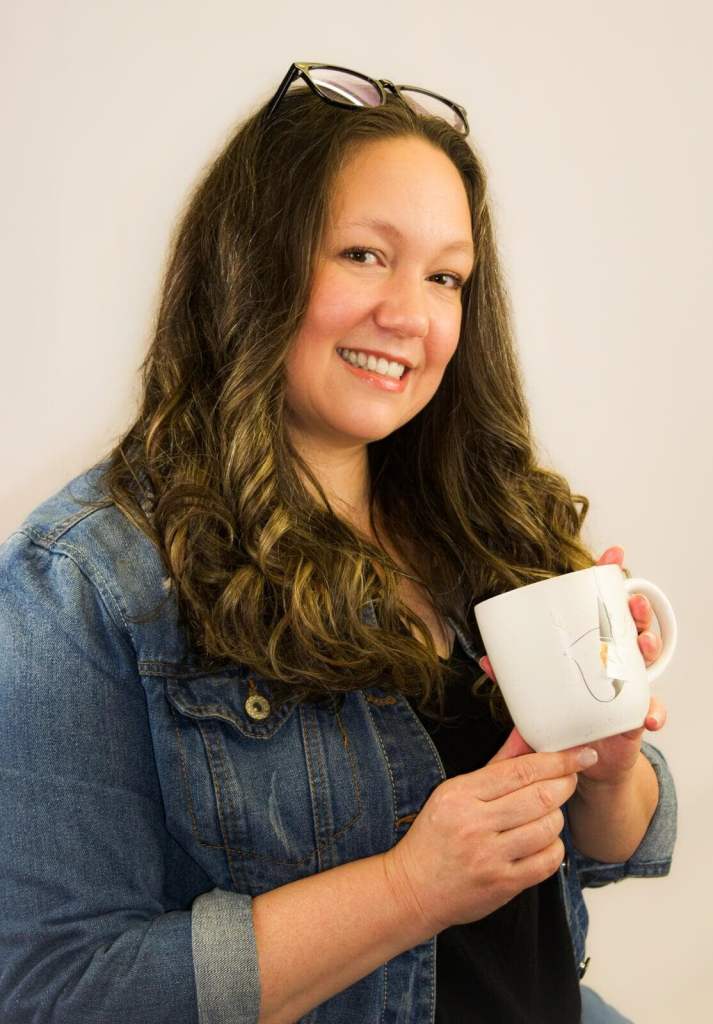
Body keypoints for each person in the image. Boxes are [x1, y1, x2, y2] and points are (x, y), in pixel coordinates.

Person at [0, 62, 676, 1024]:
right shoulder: (85, 580)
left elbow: (614, 844)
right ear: (251, 263)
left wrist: (608, 768)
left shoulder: (488, 521)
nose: (409, 316)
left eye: (445, 276)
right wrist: (408, 891)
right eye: (362, 255)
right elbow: (58, 989)